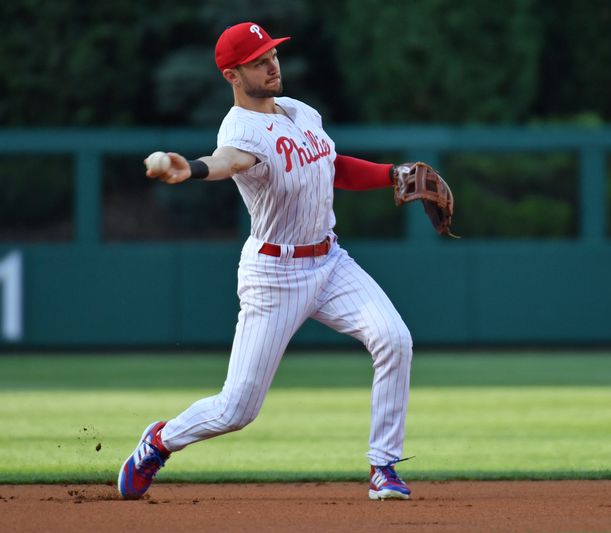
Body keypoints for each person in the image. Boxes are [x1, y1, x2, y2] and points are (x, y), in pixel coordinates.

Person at [118, 21, 416, 501]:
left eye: (272, 54)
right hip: (275, 274)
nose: (272, 64)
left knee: (394, 339)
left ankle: (383, 466)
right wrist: (190, 169)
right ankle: (158, 441)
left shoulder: (300, 111)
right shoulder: (241, 129)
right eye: (259, 61)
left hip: (330, 260)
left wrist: (391, 175)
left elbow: (332, 165)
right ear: (232, 76)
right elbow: (228, 161)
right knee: (237, 409)